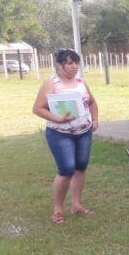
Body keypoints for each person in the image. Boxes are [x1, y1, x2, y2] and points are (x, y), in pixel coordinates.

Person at [32, 49, 99, 224]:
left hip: (84, 132)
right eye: (70, 63)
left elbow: (92, 102)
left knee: (81, 167)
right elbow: (38, 108)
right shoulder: (51, 83)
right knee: (66, 169)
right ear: (60, 65)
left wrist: (95, 119)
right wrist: (58, 118)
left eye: (76, 62)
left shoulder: (81, 82)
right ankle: (58, 210)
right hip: (60, 134)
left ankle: (76, 205)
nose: (74, 66)